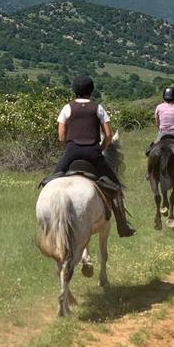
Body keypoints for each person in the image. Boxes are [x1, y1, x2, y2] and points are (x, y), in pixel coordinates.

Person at [54, 76, 135, 237]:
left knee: (51, 180)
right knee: (116, 188)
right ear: (91, 90)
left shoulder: (67, 108)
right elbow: (109, 134)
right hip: (93, 152)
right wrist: (100, 148)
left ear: (74, 90)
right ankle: (123, 227)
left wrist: (70, 148)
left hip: (72, 152)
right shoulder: (98, 108)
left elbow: (61, 136)